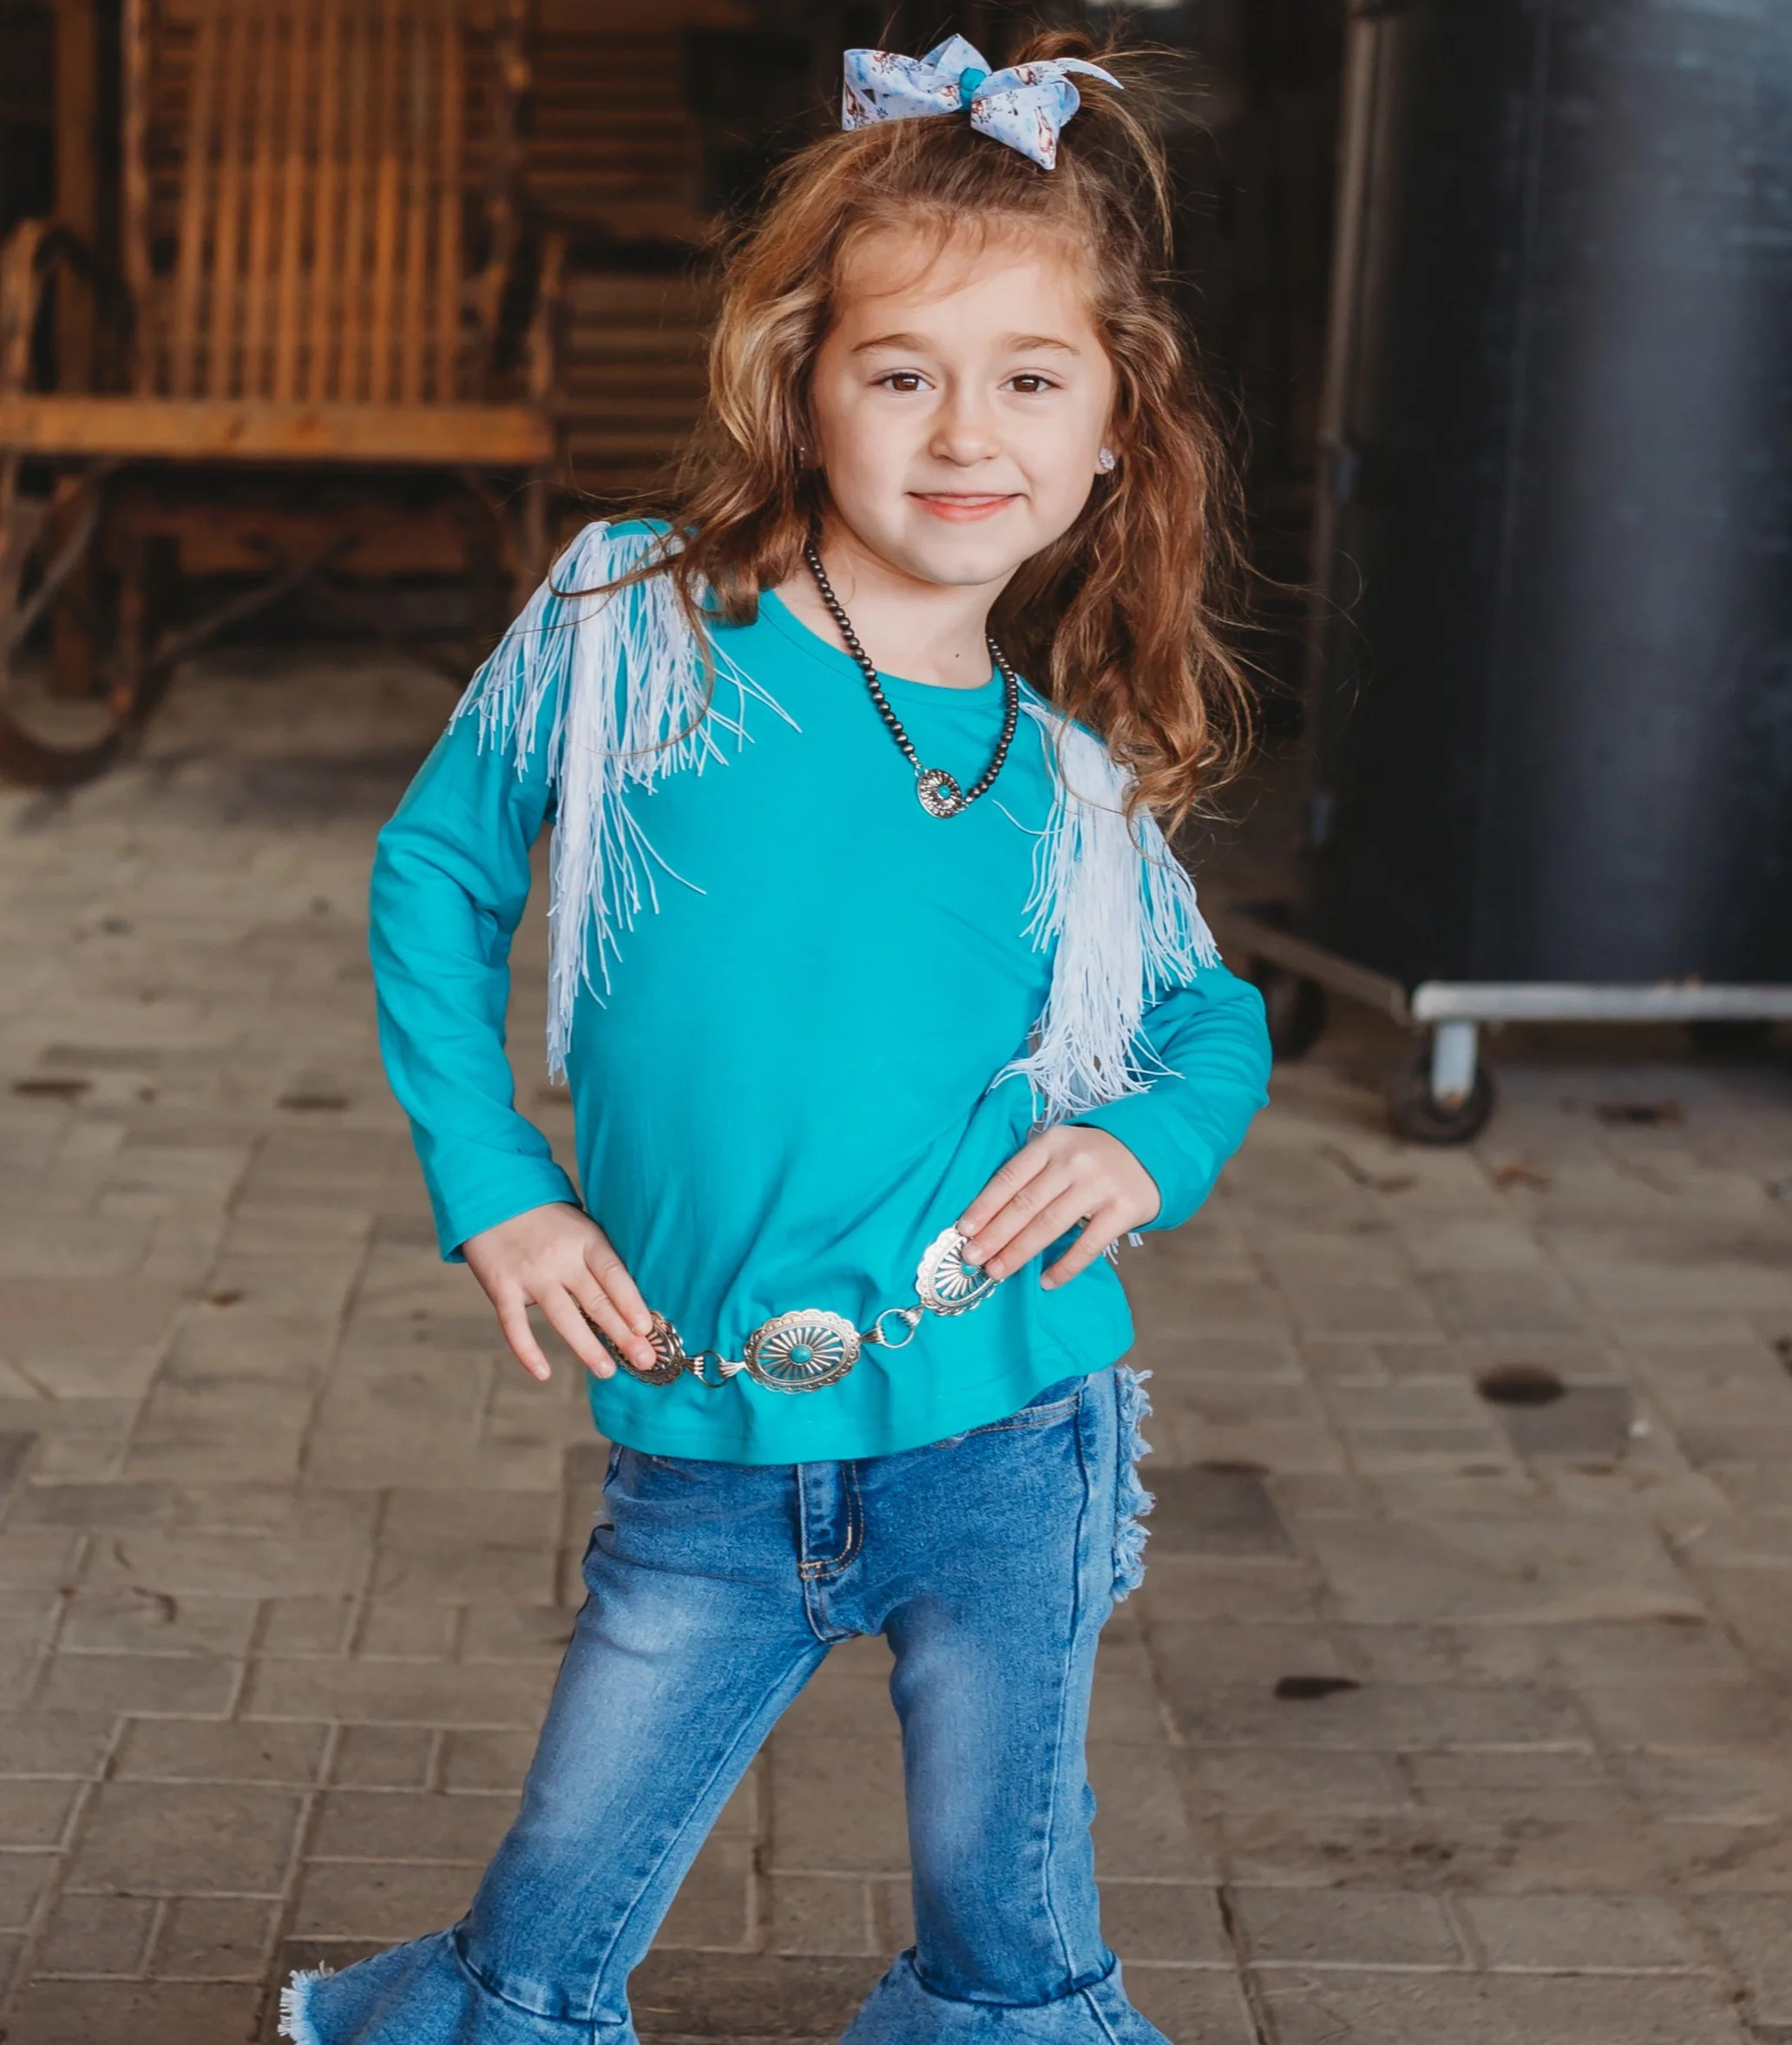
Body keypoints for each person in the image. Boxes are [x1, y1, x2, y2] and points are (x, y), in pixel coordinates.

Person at [283, 30, 1270, 2045]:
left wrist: (1142, 1143)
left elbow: (1209, 1019)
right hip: (705, 1444)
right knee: (548, 1925)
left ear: (1107, 436)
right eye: (899, 370)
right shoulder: (625, 621)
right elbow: (436, 876)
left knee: (1010, 1918)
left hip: (1009, 1431)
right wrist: (499, 1187)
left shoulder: (1071, 791)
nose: (958, 430)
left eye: (1029, 378)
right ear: (797, 383)